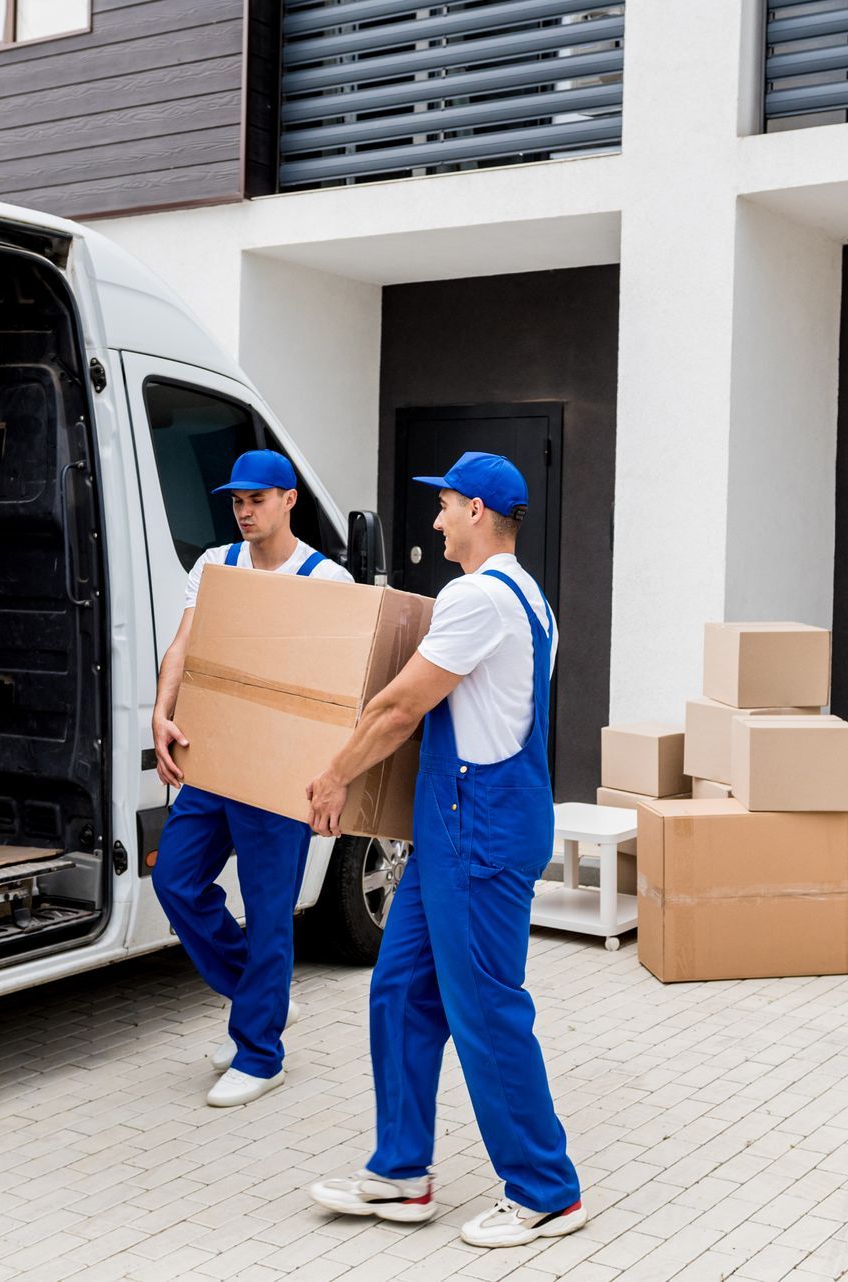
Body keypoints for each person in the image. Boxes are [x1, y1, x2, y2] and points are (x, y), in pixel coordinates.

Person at [302, 451, 586, 1249]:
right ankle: (402, 1173)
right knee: (398, 990)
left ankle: (545, 1190)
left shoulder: (475, 597)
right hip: (459, 824)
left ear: (477, 513)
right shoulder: (531, 599)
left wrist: (333, 778)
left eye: (444, 506)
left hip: (479, 827)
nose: (435, 520)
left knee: (485, 1010)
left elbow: (399, 707)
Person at [151, 449, 353, 1108]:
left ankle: (261, 1054)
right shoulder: (215, 565)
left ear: (289, 499)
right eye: (236, 500)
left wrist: (334, 776)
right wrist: (161, 713)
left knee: (269, 912)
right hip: (215, 757)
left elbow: (340, 691)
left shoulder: (330, 580)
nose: (243, 511)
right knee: (176, 879)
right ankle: (261, 997)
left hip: (283, 771)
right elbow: (183, 647)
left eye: (257, 499)